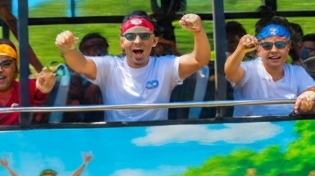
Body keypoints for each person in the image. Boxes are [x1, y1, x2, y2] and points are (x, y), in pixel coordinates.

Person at [55, 11, 211, 123]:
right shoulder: (110, 66)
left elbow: (200, 60)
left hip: (155, 141)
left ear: (154, 41)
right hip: (117, 142)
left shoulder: (165, 66)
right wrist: (68, 49)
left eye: (144, 36)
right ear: (122, 43)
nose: (137, 41)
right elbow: (81, 64)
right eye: (130, 36)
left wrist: (198, 31)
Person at [224, 23, 315, 116]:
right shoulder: (249, 70)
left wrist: (310, 94)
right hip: (250, 129)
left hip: (288, 128)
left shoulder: (297, 72)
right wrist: (240, 50)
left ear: (288, 47)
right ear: (258, 50)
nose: (274, 50)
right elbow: (230, 72)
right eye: (267, 46)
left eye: (280, 45)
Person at [65, 32, 108, 122]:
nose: (96, 51)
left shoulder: (115, 67)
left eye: (100, 47)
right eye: (90, 48)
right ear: (82, 52)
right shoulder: (71, 72)